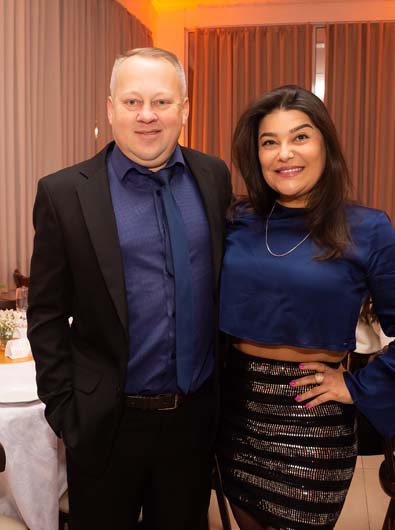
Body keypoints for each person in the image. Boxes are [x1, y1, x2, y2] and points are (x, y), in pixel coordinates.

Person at [217, 85, 395, 530]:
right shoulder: (237, 221)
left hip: (313, 416)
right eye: (269, 142)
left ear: (326, 144)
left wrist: (357, 385)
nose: (285, 153)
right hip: (237, 410)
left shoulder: (366, 229)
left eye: (300, 137)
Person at [27, 47, 231, 530]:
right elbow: (46, 314)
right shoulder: (64, 193)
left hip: (193, 422)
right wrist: (66, 411)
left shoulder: (213, 176)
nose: (147, 115)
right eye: (132, 101)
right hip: (105, 424)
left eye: (161, 101)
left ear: (185, 109)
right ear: (110, 108)